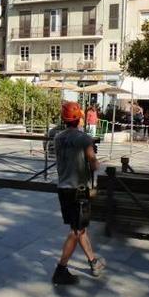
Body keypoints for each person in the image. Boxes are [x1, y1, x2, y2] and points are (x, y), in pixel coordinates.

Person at [52, 101, 105, 285]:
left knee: (79, 228)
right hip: (78, 190)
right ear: (79, 118)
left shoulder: (57, 138)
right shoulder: (84, 139)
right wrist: (96, 161)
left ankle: (93, 262)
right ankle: (61, 269)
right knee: (76, 230)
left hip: (63, 189)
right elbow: (93, 163)